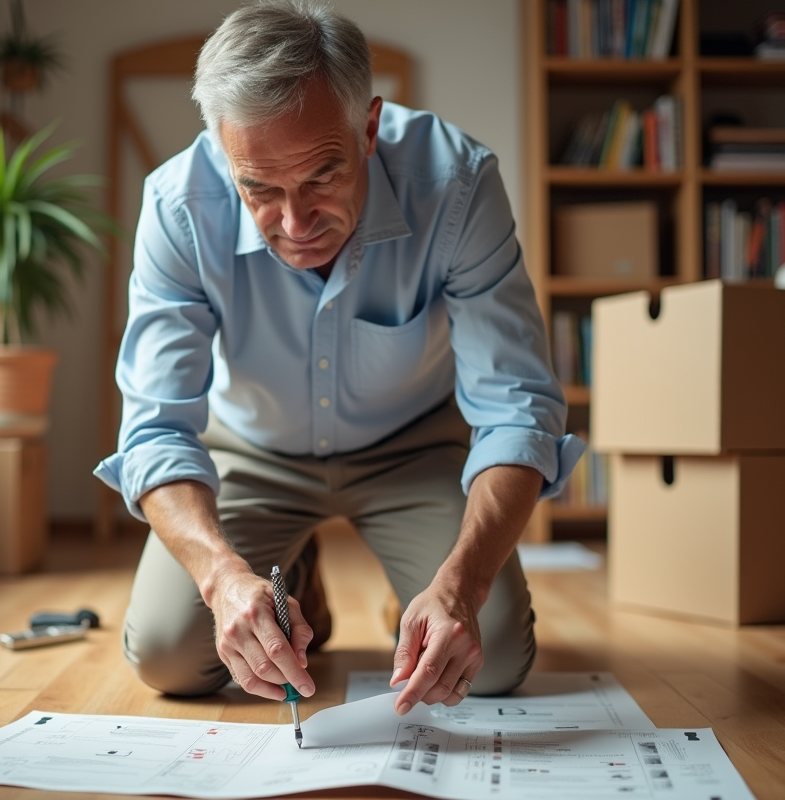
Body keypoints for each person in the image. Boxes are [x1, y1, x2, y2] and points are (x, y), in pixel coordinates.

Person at [95, 0, 583, 717]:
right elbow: (155, 429)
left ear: (369, 126)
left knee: (496, 658)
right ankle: (289, 572)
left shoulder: (458, 181)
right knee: (169, 654)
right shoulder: (177, 207)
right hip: (254, 448)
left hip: (413, 445)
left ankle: (408, 582)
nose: (293, 225)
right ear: (224, 152)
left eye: (322, 176)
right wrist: (223, 577)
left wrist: (461, 585)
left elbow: (516, 406)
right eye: (258, 188)